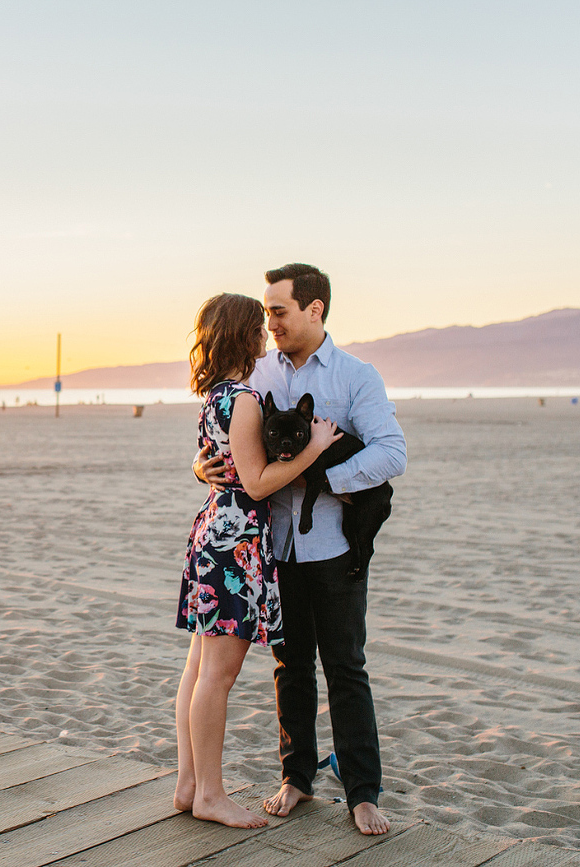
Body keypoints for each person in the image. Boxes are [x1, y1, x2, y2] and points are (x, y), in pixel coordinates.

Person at [194, 264, 407, 835]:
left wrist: (319, 479)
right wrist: (200, 468)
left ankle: (363, 792)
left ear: (315, 309)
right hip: (273, 550)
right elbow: (226, 441)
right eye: (265, 312)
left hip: (336, 549)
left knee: (346, 667)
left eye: (279, 310)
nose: (270, 322)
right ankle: (298, 779)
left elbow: (391, 454)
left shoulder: (357, 376)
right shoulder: (255, 371)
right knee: (289, 668)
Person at [175, 292, 341, 829]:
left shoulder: (214, 397)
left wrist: (201, 470)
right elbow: (256, 481)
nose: (267, 336)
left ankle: (188, 784)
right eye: (260, 330)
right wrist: (314, 449)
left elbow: (220, 465)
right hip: (235, 544)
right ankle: (211, 796)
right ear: (246, 336)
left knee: (199, 668)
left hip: (212, 533)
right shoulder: (244, 399)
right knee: (216, 677)